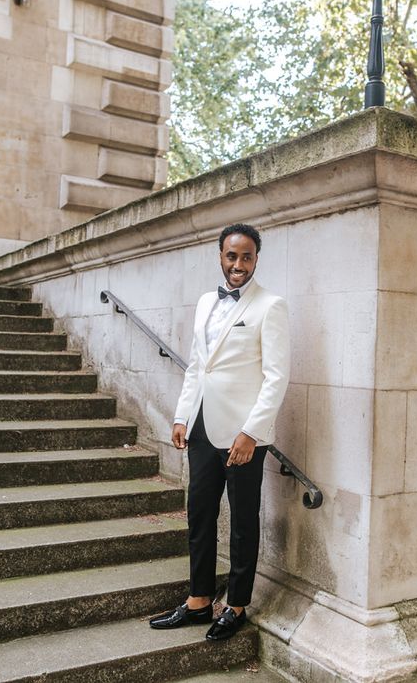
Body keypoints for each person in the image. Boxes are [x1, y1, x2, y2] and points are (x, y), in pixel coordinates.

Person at [149, 223, 290, 641]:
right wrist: (181, 415)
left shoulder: (271, 306)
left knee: (243, 521)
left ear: (256, 259)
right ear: (220, 256)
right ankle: (198, 601)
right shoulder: (207, 302)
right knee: (199, 516)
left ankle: (237, 606)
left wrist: (252, 432)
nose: (238, 264)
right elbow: (198, 365)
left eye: (246, 257)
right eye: (232, 256)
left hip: (244, 435)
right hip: (202, 429)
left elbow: (277, 377)